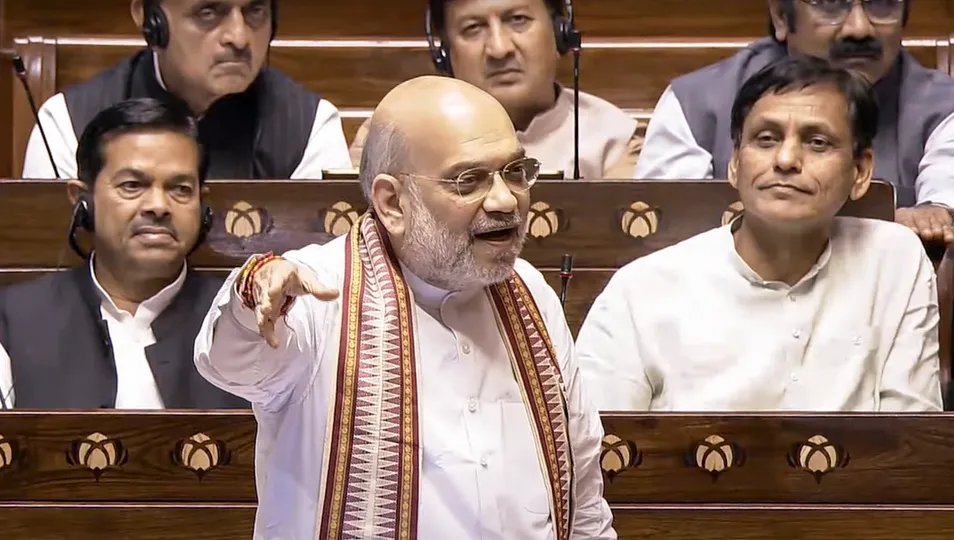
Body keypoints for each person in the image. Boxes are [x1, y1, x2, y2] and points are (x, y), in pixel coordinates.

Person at [194, 76, 616, 538]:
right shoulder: (317, 292)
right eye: (468, 180)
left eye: (515, 172)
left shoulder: (529, 293)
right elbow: (229, 364)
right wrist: (252, 292)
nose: (504, 200)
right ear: (392, 203)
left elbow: (582, 494)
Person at [577, 56, 943, 412]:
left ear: (860, 172)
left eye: (817, 143)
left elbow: (911, 443)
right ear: (735, 164)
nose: (785, 160)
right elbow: (594, 449)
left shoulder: (894, 261)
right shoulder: (642, 290)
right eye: (766, 139)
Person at [634, 0, 954, 244]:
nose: (860, 28)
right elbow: (666, 235)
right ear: (780, 15)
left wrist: (935, 215)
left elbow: (947, 202)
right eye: (831, 4)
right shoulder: (695, 103)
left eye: (882, 3)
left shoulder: (947, 107)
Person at [0, 98, 248, 410]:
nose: (158, 205)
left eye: (180, 189)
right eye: (132, 185)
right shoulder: (11, 322)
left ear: (202, 204)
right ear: (82, 199)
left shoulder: (241, 320)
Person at [21, 0, 351, 180]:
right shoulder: (66, 125)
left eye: (255, 11)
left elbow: (320, 278)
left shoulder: (309, 127)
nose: (238, 37)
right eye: (209, 12)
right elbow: (50, 277)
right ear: (150, 18)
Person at [349, 0, 642, 180]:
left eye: (518, 20)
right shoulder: (394, 136)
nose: (499, 48)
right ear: (444, 53)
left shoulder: (614, 142)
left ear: (559, 33)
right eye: (473, 28)